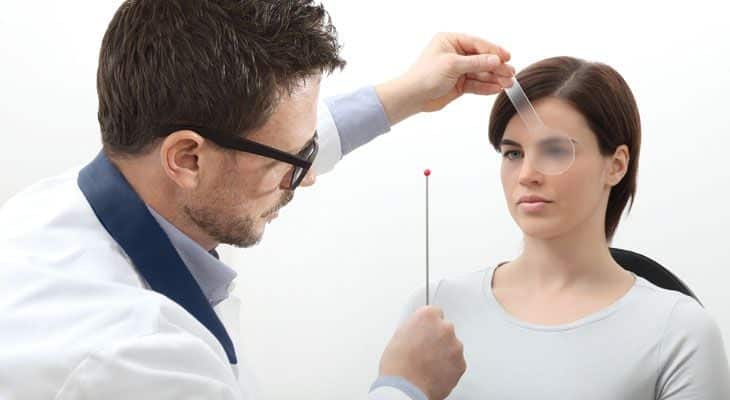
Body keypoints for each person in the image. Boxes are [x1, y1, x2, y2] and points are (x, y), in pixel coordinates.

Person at [0, 1, 515, 400]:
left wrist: (407, 93)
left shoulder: (60, 207)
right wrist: (403, 386)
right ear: (187, 159)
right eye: (293, 161)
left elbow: (265, 142)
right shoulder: (134, 358)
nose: (306, 178)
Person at [400, 56, 730, 399]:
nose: (527, 174)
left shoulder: (679, 333)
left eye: (555, 150)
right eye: (513, 154)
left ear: (616, 165)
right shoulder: (434, 312)